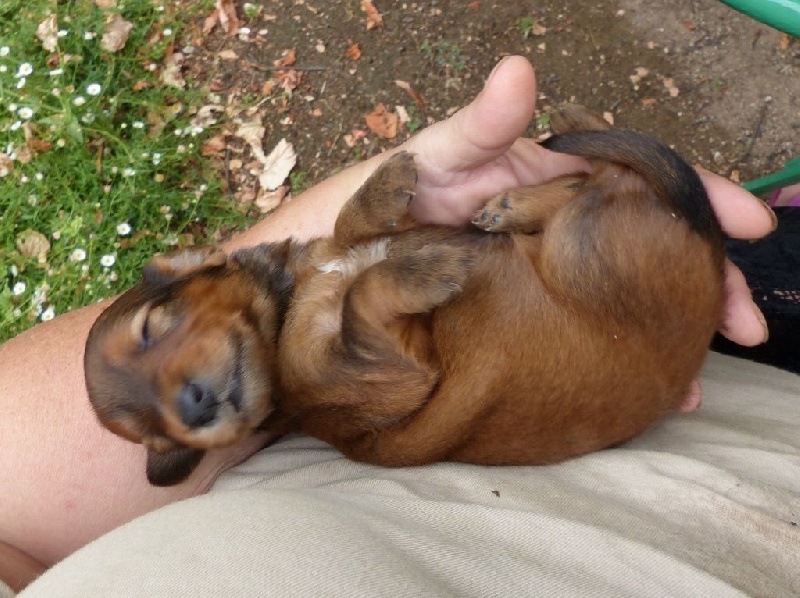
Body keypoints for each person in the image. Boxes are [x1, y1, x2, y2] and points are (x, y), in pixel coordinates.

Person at [0, 56, 777, 593]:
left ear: (192, 264)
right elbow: (398, 368)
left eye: (153, 333)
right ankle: (611, 188)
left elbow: (336, 260)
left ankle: (608, 186)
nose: (182, 395)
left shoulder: (298, 292)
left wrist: (365, 219)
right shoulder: (313, 378)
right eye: (165, 424)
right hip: (593, 327)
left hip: (581, 304)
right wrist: (382, 289)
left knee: (626, 240)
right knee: (613, 243)